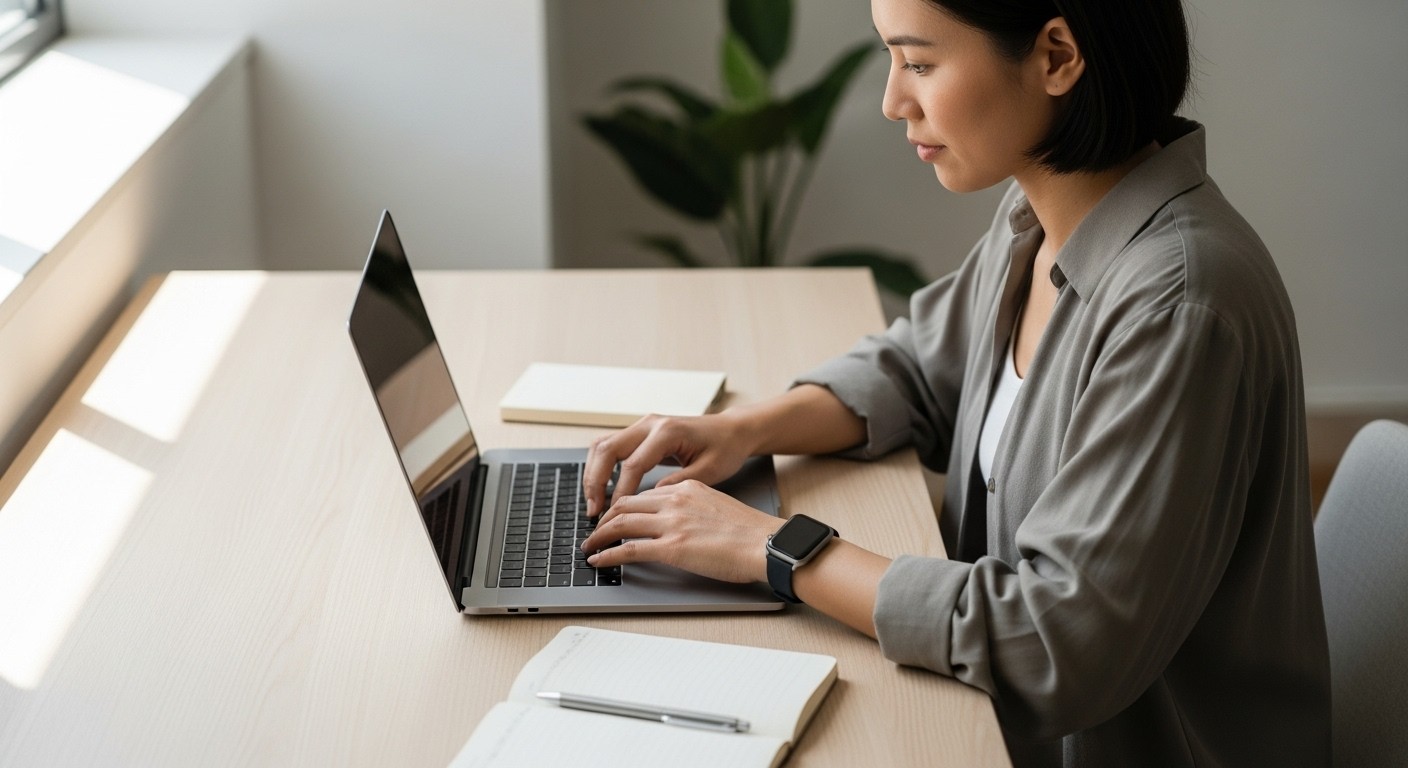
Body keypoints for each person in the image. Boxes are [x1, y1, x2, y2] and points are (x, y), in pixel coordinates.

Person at [579, 0, 1332, 764]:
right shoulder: (1044, 218)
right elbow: (916, 368)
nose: (891, 100)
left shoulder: (1178, 305)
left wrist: (775, 549)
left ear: (1056, 56)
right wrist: (738, 431)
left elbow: (1054, 643)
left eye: (920, 62)